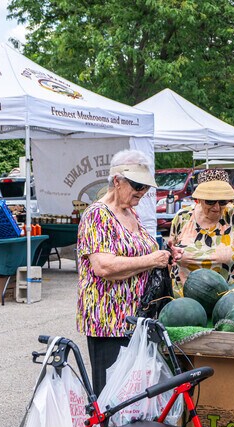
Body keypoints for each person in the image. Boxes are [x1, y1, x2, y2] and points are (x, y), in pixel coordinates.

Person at [76, 149, 181, 397]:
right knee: (112, 395)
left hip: (136, 318)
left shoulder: (130, 212)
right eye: (136, 185)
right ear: (117, 180)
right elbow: (104, 267)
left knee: (133, 393)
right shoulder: (97, 215)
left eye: (145, 186)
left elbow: (140, 252)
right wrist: (151, 260)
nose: (142, 192)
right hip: (109, 321)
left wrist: (164, 255)